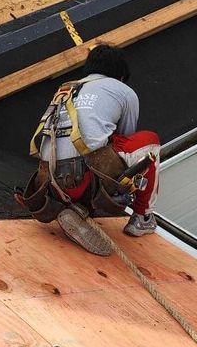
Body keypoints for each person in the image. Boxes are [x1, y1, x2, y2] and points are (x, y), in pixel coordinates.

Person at [17, 45, 160, 254]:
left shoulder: (65, 89)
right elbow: (125, 138)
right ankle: (143, 218)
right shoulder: (124, 91)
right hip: (83, 180)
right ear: (120, 75)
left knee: (88, 147)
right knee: (149, 142)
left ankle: (76, 207)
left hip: (47, 182)